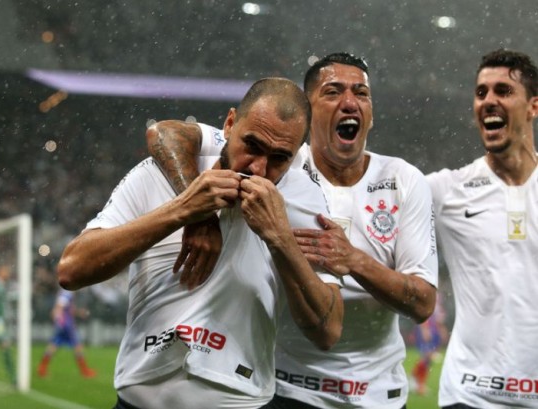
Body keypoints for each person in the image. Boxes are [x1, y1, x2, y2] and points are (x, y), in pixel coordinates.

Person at [146, 52, 438, 409]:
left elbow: (422, 303)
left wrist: (353, 260)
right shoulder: (277, 160)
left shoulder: (403, 180)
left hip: (380, 396)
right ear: (306, 114)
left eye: (361, 94)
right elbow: (167, 133)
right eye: (333, 92)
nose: (349, 102)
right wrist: (199, 215)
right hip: (288, 389)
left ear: (372, 113)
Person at [57, 77, 344, 409]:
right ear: (230, 123)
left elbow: (328, 330)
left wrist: (281, 240)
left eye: (280, 157)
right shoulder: (159, 173)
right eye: (251, 145)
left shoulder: (304, 198)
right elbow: (72, 270)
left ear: (297, 153)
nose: (258, 168)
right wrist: (187, 210)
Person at [427, 49, 538, 409]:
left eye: (503, 91)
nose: (488, 101)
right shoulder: (446, 190)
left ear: (533, 107)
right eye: (481, 93)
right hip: (469, 395)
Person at [37, 288, 96, 378]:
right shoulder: (67, 292)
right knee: (77, 345)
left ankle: (42, 368)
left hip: (63, 324)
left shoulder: (67, 292)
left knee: (54, 345)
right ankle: (85, 371)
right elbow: (59, 306)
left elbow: (65, 308)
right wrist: (58, 319)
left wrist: (79, 313)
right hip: (66, 325)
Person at [409, 296, 448, 396]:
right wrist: (424, 329)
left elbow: (438, 319)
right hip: (427, 332)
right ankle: (419, 384)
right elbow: (422, 313)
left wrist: (441, 330)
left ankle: (415, 380)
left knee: (428, 360)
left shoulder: (438, 299)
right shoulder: (429, 295)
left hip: (433, 332)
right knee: (427, 357)